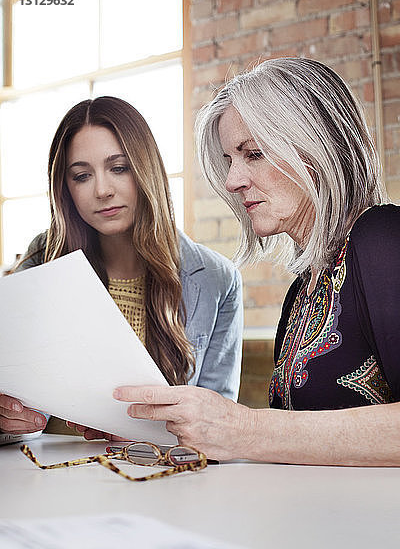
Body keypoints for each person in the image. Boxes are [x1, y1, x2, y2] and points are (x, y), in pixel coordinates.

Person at [111, 57, 400, 467]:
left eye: (254, 153)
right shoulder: (304, 289)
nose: (232, 181)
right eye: (230, 160)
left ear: (316, 147)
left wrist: (245, 430)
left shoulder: (384, 237)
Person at [0, 96, 242, 438]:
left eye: (119, 168)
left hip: (162, 479)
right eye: (82, 176)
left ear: (145, 169)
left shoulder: (218, 279)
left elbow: (218, 428)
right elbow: (17, 411)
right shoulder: (43, 258)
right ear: (65, 188)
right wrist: (8, 421)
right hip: (56, 476)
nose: (102, 190)